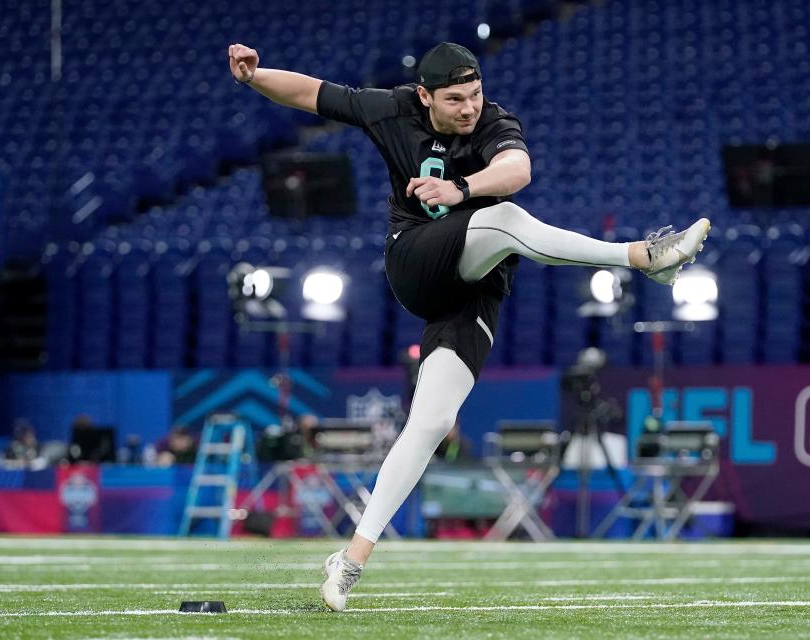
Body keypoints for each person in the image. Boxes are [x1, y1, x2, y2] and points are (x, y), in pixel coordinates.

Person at [227, 41, 709, 611]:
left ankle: (349, 560)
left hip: (475, 290)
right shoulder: (392, 109)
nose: (469, 108)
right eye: (455, 99)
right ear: (426, 95)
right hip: (416, 261)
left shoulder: (494, 121)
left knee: (431, 422)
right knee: (503, 221)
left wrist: (461, 188)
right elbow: (312, 94)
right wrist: (255, 78)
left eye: (475, 94)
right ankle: (642, 257)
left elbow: (517, 170)